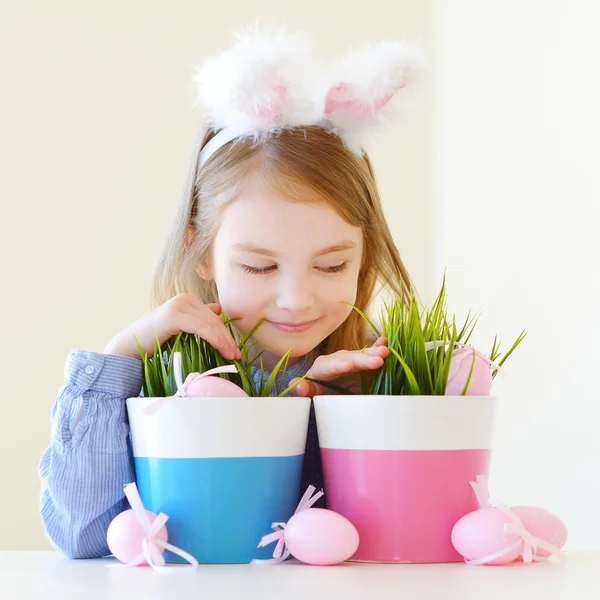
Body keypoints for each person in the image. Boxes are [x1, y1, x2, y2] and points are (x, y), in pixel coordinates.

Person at [38, 27, 422, 558]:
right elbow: (82, 535)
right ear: (201, 252)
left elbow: (383, 536)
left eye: (332, 265)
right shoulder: (160, 378)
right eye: (260, 266)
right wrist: (117, 358)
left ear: (364, 254)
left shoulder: (373, 368)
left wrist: (348, 407)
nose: (297, 299)